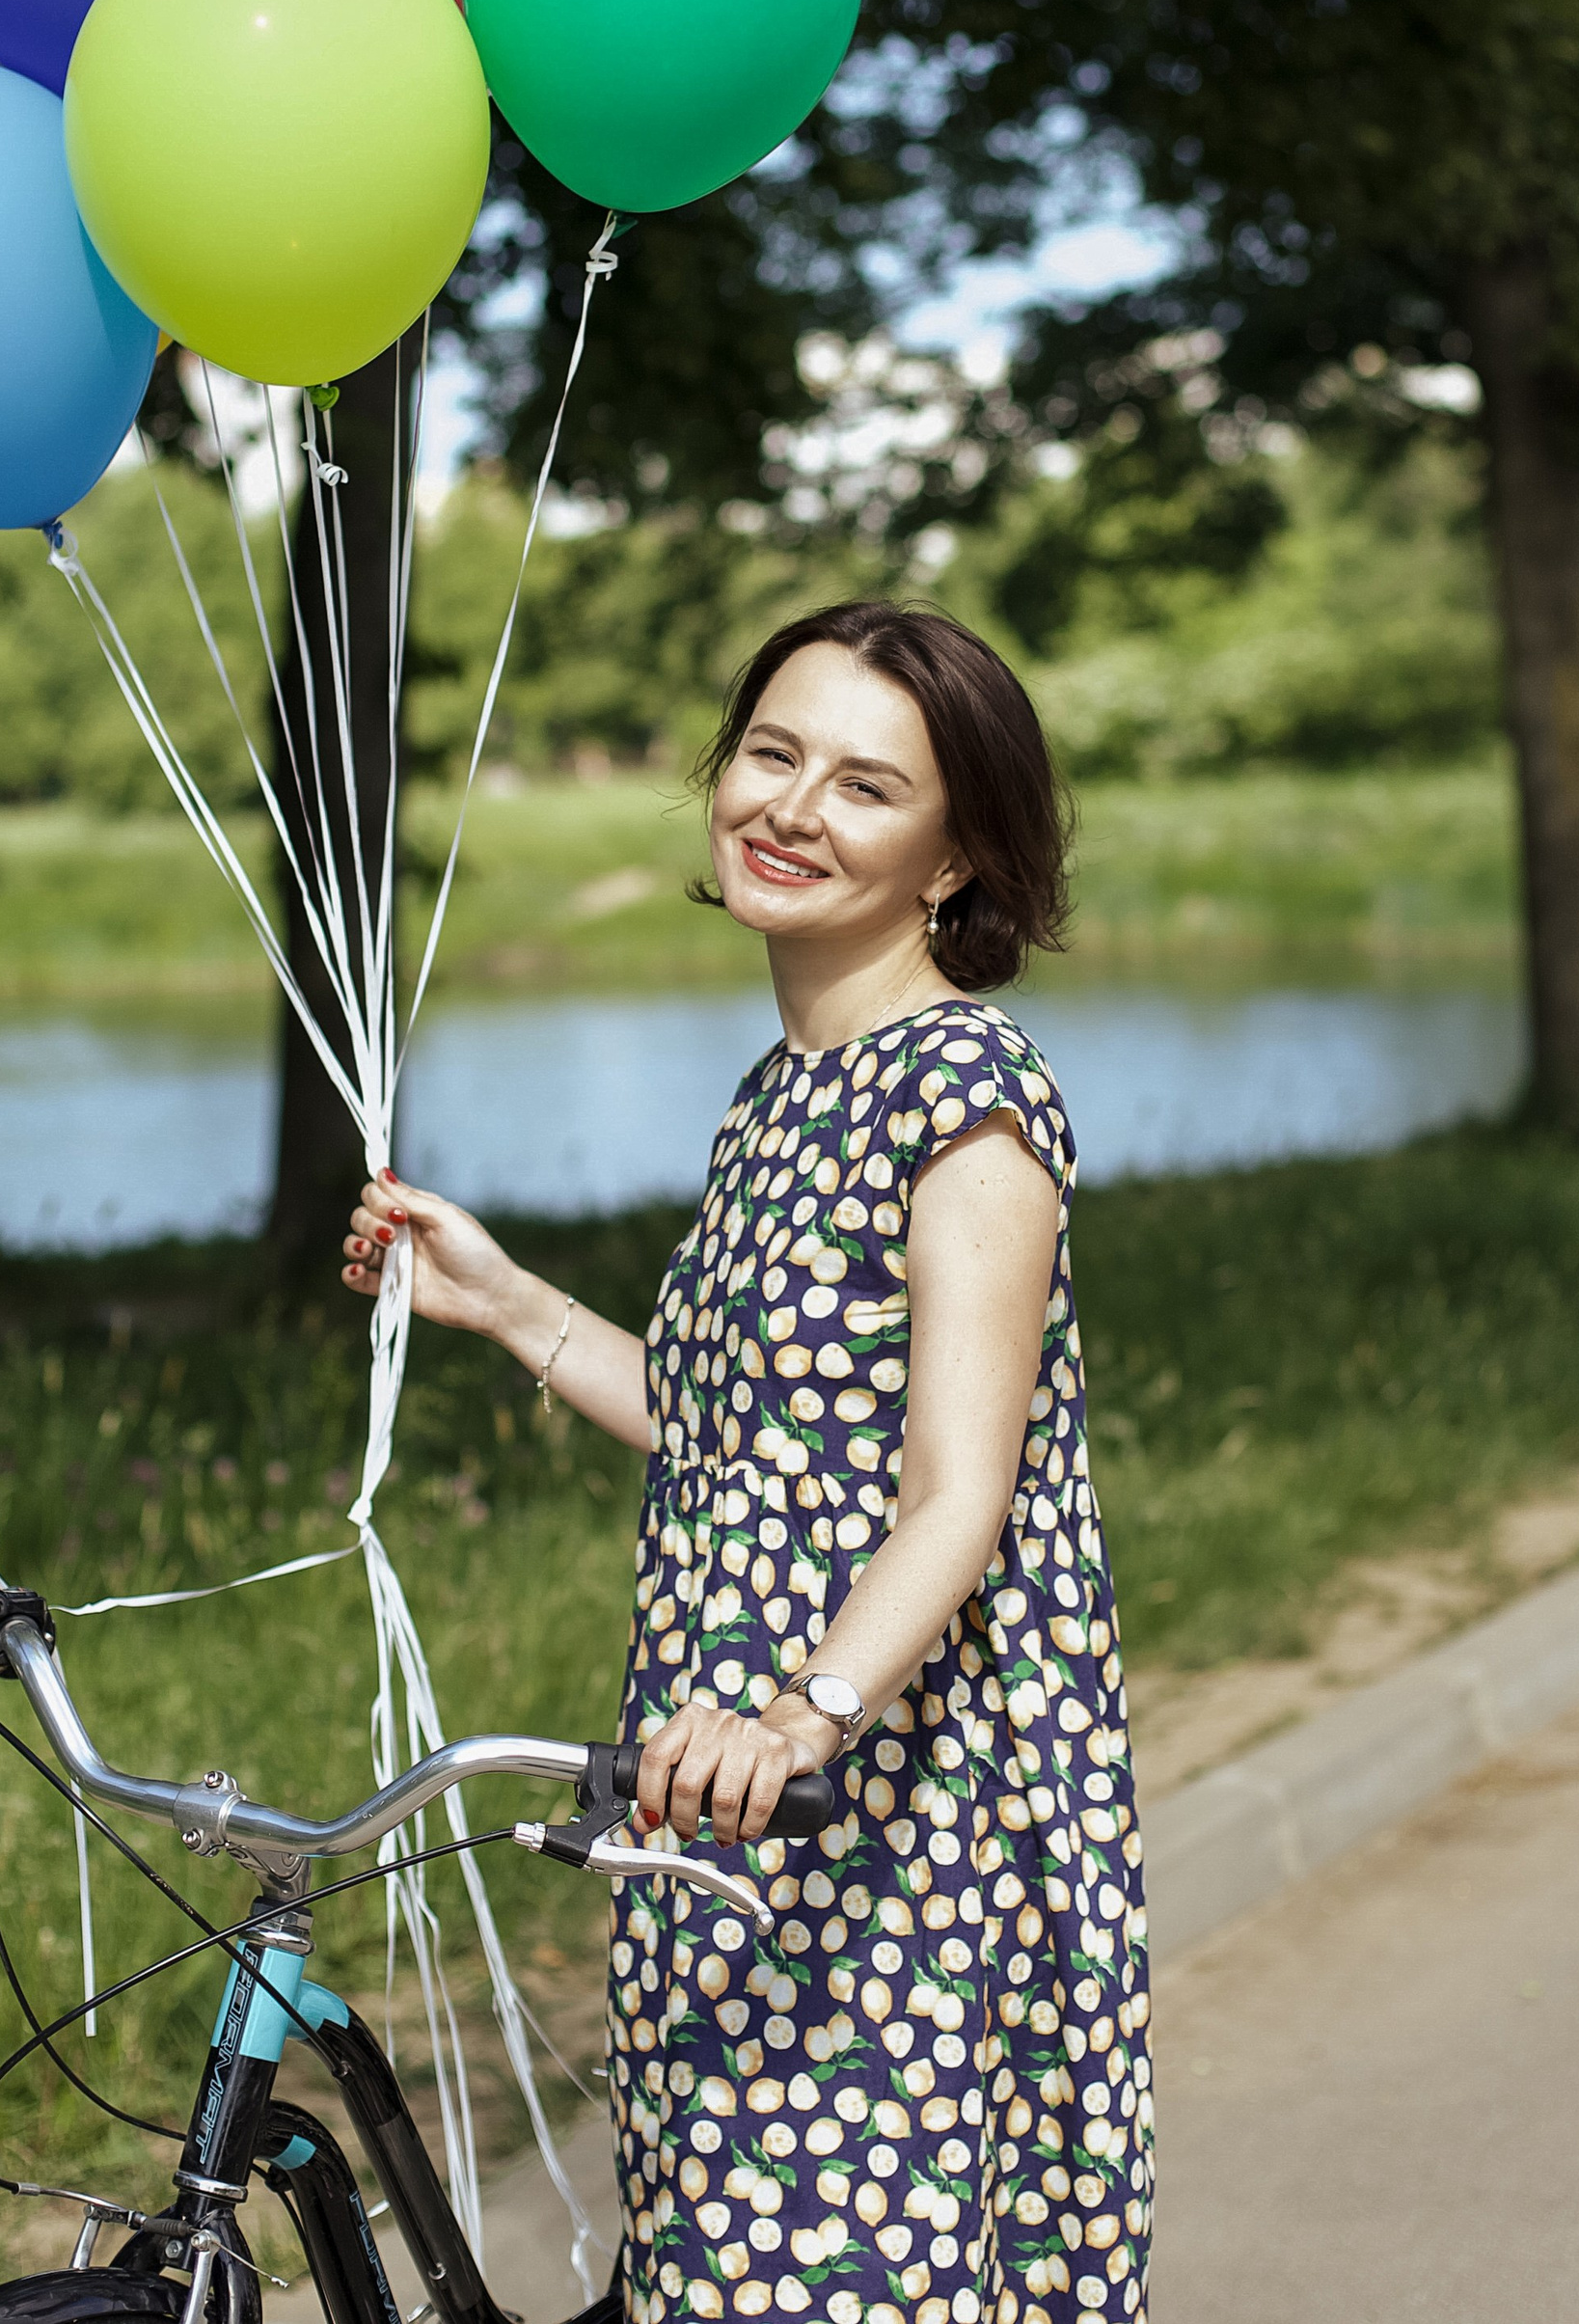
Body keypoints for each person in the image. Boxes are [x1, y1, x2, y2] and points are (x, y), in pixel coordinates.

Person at [343, 601, 1150, 2324]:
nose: (791, 806)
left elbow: (958, 1492)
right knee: (724, 2263)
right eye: (772, 754)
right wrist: (505, 1302)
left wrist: (807, 1713)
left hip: (897, 1810)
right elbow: (754, 1440)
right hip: (720, 1791)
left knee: (839, 2270)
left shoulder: (973, 1099)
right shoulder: (783, 1088)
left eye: (867, 784)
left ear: (956, 856)